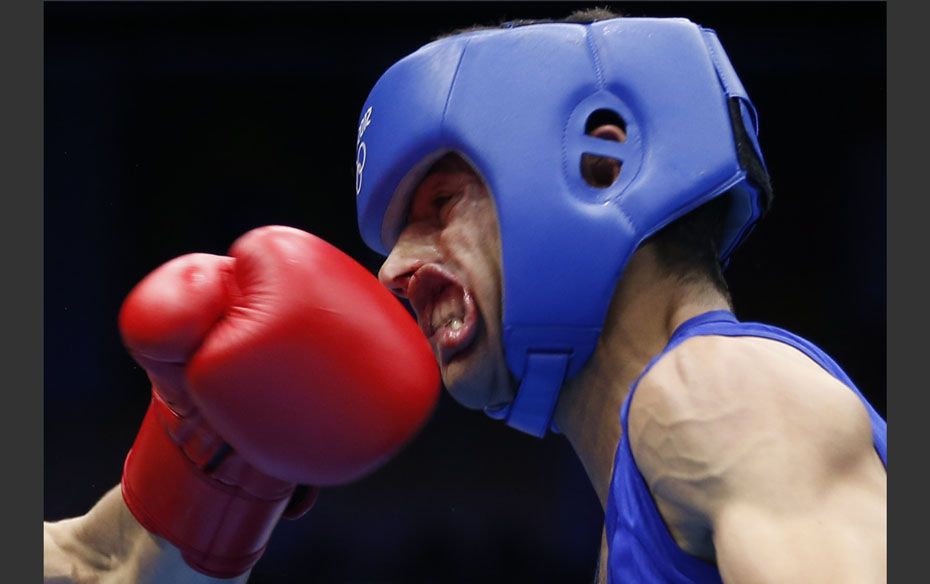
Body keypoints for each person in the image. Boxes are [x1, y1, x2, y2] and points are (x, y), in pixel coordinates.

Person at [44, 8, 886, 584]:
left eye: (440, 207)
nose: (391, 273)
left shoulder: (722, 397)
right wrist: (191, 493)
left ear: (602, 160)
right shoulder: (649, 483)